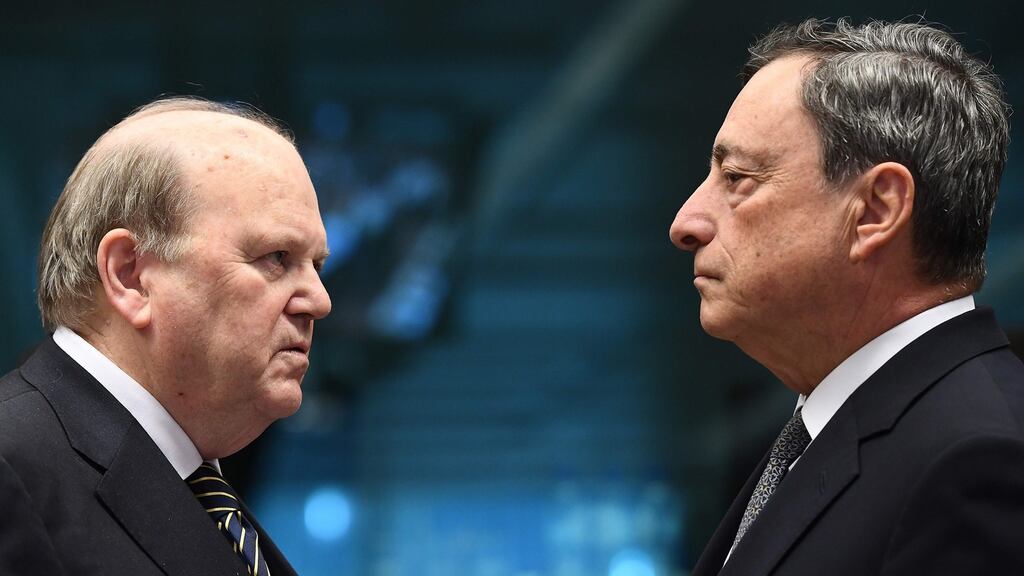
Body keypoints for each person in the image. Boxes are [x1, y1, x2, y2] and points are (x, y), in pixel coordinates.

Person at [669, 18, 1024, 575]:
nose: (685, 222)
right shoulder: (840, 431)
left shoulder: (977, 457)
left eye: (737, 177)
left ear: (876, 211)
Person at [0, 97, 332, 575]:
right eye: (276, 257)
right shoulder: (12, 471)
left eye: (317, 266)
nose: (320, 301)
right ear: (131, 275)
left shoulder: (203, 493)